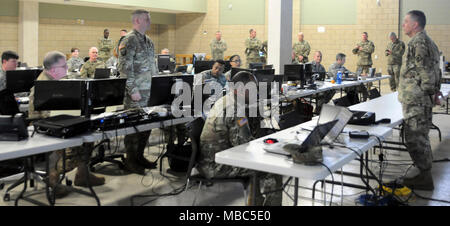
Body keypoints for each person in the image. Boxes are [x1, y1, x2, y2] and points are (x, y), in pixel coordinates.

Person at [198, 71, 283, 206]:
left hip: (215, 158)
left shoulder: (229, 100)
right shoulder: (235, 110)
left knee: (263, 164)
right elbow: (244, 146)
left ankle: (256, 203)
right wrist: (271, 147)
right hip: (216, 165)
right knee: (273, 170)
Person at [28, 51, 105, 197]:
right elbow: (43, 119)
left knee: (89, 137)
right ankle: (52, 176)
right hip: (47, 131)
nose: (67, 69)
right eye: (64, 66)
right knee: (74, 146)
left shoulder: (56, 80)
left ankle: (83, 174)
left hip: (62, 124)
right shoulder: (42, 86)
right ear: (52, 69)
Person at [398, 10, 441, 191]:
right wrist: (434, 92)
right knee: (420, 137)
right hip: (419, 99)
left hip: (416, 100)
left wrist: (429, 91)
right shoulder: (428, 41)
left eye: (406, 22)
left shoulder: (418, 42)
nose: (403, 25)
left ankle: (424, 177)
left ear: (415, 24)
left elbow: (425, 72)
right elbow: (436, 71)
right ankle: (424, 173)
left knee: (415, 138)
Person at [118, 9, 158, 175]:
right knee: (133, 127)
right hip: (135, 94)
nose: (149, 21)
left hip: (149, 92)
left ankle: (139, 156)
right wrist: (133, 90)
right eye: (146, 18)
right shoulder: (129, 40)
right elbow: (125, 69)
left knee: (146, 126)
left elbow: (152, 66)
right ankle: (130, 160)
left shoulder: (148, 40)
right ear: (137, 21)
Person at [0, 51, 20, 115]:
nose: (16, 64)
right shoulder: (1, 77)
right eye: (13, 61)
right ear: (4, 62)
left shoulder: (14, 75)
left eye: (17, 62)